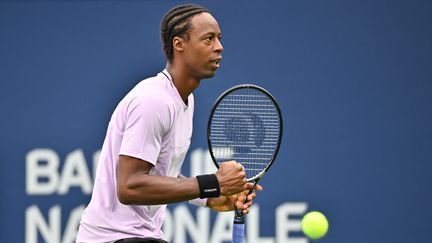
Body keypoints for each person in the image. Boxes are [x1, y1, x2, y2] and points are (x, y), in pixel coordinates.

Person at [76, 4, 262, 243]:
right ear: (179, 44)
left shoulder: (184, 100)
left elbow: (162, 175)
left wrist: (213, 196)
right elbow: (130, 186)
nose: (219, 47)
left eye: (219, 38)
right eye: (208, 39)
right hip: (115, 239)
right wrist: (212, 182)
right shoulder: (154, 100)